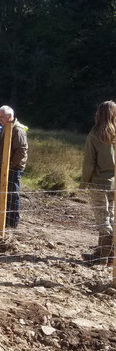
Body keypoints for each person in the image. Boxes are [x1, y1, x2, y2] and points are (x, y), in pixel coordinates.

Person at [80, 100, 116, 265]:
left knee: (103, 220)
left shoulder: (94, 135)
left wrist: (83, 183)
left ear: (99, 114)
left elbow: (89, 164)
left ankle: (104, 258)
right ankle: (105, 254)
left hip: (99, 184)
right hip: (114, 184)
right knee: (111, 217)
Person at [0, 105, 28, 228]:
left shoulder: (18, 130)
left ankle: (12, 221)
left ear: (10, 116)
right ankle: (5, 217)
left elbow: (21, 151)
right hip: (4, 166)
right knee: (4, 191)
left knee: (12, 194)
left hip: (14, 168)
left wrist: (9, 165)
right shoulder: (6, 127)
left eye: (1, 117)